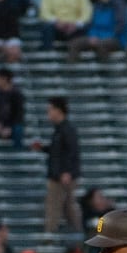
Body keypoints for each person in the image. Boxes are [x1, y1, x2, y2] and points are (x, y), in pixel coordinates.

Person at [36, 96, 81, 235]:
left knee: (54, 205)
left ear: (58, 110)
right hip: (58, 174)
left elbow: (72, 152)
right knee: (68, 206)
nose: (48, 113)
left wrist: (67, 172)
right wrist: (43, 148)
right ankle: (76, 232)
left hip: (61, 176)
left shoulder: (67, 129)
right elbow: (58, 151)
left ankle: (50, 234)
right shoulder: (59, 130)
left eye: (50, 110)